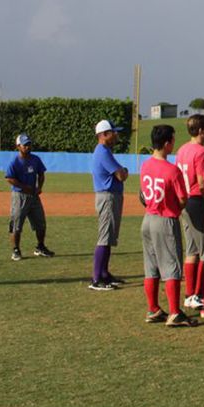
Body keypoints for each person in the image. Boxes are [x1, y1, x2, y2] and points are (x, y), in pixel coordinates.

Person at [139, 124, 196, 327]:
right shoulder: (173, 171)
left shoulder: (145, 165)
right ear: (166, 144)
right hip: (165, 220)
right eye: (172, 140)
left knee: (151, 267)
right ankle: (174, 312)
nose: (173, 143)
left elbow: (143, 195)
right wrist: (175, 208)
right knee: (171, 265)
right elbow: (182, 199)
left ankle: (153, 308)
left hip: (148, 219)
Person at [175, 114, 204, 310]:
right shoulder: (202, 151)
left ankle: (190, 294)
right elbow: (202, 181)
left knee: (192, 250)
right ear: (200, 131)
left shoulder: (182, 149)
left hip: (185, 202)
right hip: (197, 201)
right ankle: (200, 294)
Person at [90, 119, 129, 291]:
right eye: (113, 132)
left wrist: (122, 172)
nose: (116, 135)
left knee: (109, 236)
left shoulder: (105, 150)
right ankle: (97, 278)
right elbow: (121, 175)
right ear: (104, 134)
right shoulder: (102, 152)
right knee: (105, 237)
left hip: (110, 196)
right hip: (107, 197)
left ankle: (104, 274)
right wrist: (124, 171)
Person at [5, 133, 54, 261]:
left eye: (29, 144)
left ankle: (40, 247)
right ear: (18, 146)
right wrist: (23, 187)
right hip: (19, 196)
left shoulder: (35, 159)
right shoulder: (14, 162)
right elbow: (9, 178)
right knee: (17, 224)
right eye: (25, 145)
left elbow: (41, 174)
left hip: (33, 196)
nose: (27, 147)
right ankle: (16, 250)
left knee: (40, 223)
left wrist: (39, 187)